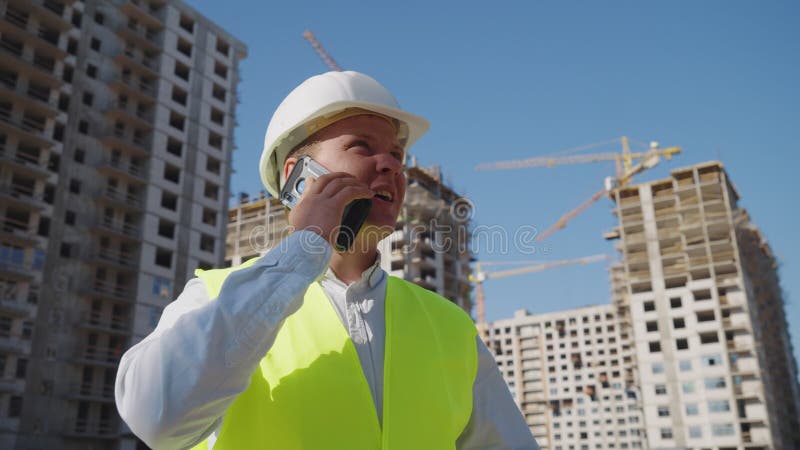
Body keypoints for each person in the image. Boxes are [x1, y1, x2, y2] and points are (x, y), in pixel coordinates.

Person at [115, 71, 539, 450]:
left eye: (398, 155)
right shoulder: (214, 296)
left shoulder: (450, 327)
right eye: (361, 146)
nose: (391, 164)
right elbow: (155, 418)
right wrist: (306, 248)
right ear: (298, 177)